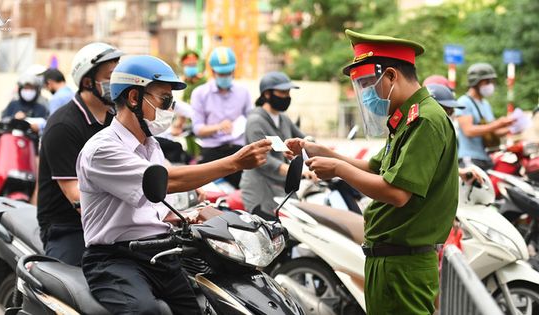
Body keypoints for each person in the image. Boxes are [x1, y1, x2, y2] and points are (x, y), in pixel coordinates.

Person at [76, 55, 271, 314]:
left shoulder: (150, 145)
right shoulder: (103, 149)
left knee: (203, 306)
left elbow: (152, 204)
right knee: (145, 312)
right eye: (164, 100)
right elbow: (169, 181)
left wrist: (186, 216)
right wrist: (235, 162)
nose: (170, 109)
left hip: (159, 254)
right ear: (134, 98)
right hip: (115, 259)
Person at [285, 30, 459, 314]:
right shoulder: (406, 117)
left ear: (391, 76)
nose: (367, 93)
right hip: (389, 260)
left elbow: (397, 193)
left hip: (404, 265)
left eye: (369, 83)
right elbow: (373, 167)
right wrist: (321, 151)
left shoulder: (425, 120)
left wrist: (338, 169)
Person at [36, 42, 123, 266]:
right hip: (67, 225)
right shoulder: (63, 126)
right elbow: (76, 196)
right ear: (87, 82)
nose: (117, 84)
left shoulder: (117, 120)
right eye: (111, 77)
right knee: (72, 290)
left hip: (111, 221)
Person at [240, 71, 314, 217]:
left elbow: (304, 140)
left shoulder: (283, 119)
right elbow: (264, 160)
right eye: (282, 92)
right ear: (267, 94)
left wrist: (321, 154)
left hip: (281, 188)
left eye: (288, 92)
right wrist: (301, 172)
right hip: (261, 192)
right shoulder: (256, 121)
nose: (287, 97)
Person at [191, 46, 252, 188]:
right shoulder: (200, 93)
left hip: (238, 149)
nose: (225, 77)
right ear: (213, 72)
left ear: (234, 71)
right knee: (207, 191)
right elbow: (197, 129)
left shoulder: (243, 92)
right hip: (212, 150)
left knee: (245, 188)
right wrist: (218, 127)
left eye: (228, 73)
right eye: (221, 74)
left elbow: (251, 119)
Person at [456, 63, 514, 170]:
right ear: (476, 82)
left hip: (486, 158)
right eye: (487, 81)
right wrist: (498, 124)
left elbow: (493, 131)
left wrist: (512, 127)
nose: (490, 85)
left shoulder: (485, 104)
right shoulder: (464, 102)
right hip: (470, 159)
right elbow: (468, 131)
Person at [426, 83, 483, 184]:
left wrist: (460, 172)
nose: (451, 114)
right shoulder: (426, 133)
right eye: (448, 110)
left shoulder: (443, 132)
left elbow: (439, 165)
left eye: (452, 111)